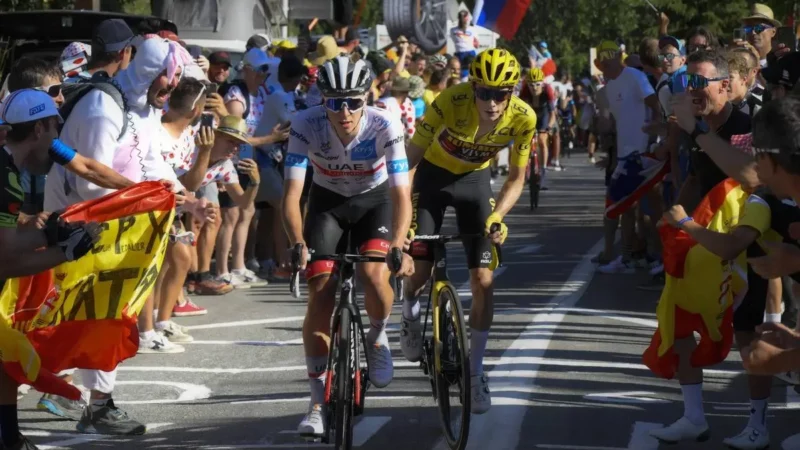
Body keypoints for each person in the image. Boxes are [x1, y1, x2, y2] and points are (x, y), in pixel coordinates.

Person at [282, 55, 414, 437]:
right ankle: (317, 404)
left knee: (374, 272)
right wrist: (297, 242)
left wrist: (400, 243)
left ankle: (376, 334)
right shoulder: (305, 124)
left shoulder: (385, 123)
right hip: (328, 204)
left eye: (353, 102)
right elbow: (293, 195)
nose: (344, 111)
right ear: (321, 101)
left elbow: (401, 193)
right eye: (334, 102)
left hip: (376, 202)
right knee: (320, 291)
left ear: (366, 98)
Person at [402, 48, 536, 414]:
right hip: (431, 178)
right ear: (473, 87)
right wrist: (402, 218)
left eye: (501, 93)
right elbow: (410, 158)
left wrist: (499, 217)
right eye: (485, 92)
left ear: (513, 92)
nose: (492, 102)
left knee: (483, 279)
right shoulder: (450, 100)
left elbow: (516, 177)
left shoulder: (524, 118)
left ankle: (476, 373)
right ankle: (410, 308)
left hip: (474, 182)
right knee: (421, 267)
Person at [0, 89, 102, 450]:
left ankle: (9, 439)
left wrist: (50, 234)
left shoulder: (6, 163)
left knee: (8, 359)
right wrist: (65, 251)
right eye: (55, 128)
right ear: (41, 128)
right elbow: (6, 259)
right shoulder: (5, 172)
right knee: (11, 355)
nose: (57, 137)